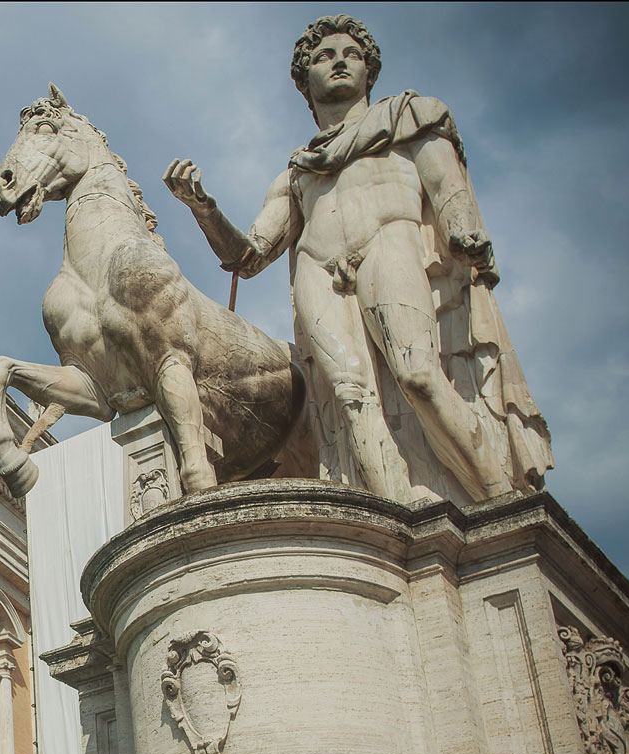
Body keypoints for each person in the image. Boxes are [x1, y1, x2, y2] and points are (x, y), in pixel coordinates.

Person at [164, 14, 550, 506]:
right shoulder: (298, 170)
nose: (339, 62)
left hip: (391, 240)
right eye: (324, 57)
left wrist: (463, 230)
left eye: (351, 54)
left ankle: (500, 499)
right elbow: (248, 255)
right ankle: (400, 513)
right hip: (317, 267)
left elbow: (447, 186)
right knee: (348, 397)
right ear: (305, 82)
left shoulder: (410, 117)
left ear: (370, 69)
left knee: (419, 377)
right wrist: (204, 208)